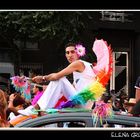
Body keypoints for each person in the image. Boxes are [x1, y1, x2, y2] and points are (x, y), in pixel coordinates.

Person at [18, 42, 96, 115]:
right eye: (67, 52)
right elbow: (71, 87)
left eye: (72, 52)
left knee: (60, 79)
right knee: (58, 81)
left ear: (79, 53)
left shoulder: (78, 63)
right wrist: (49, 87)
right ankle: (39, 110)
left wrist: (43, 78)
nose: (69, 55)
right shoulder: (86, 66)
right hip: (83, 103)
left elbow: (56, 76)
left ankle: (37, 108)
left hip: (82, 103)